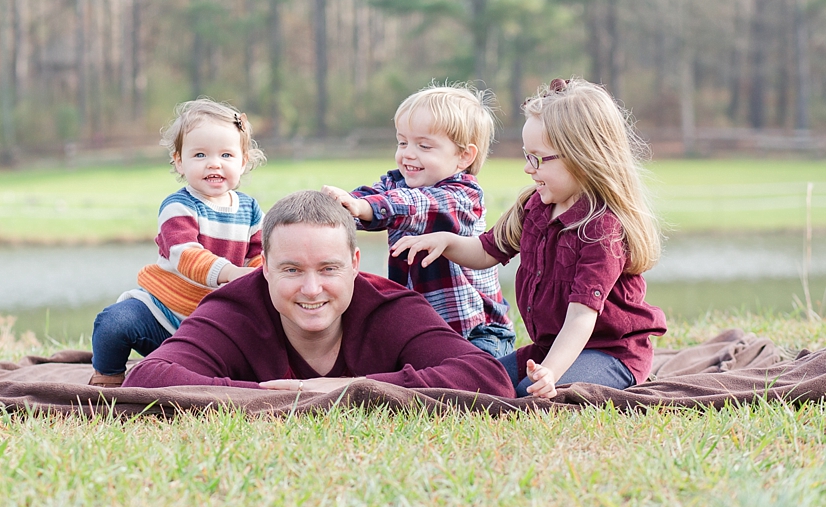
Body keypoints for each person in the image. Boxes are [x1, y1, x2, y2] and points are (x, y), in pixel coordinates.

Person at [393, 78, 667, 398]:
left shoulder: (601, 230)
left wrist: (550, 371)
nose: (527, 167)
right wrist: (447, 241)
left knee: (529, 394)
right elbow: (486, 251)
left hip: (611, 353)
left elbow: (581, 317)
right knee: (474, 380)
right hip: (549, 347)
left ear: (582, 157)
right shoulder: (535, 205)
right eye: (527, 155)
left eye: (537, 157)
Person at [122, 190, 516, 398]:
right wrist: (269, 395)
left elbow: (485, 376)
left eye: (329, 269)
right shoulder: (234, 306)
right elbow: (147, 378)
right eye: (291, 270)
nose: (312, 290)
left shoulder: (390, 307)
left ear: (356, 263)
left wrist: (353, 387)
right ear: (265, 266)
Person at [321, 84, 515, 359]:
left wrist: (364, 207)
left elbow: (413, 206)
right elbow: (369, 200)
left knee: (473, 380)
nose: (408, 153)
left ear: (464, 156)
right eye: (402, 142)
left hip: (477, 334)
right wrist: (336, 208)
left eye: (424, 146)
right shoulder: (396, 183)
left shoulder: (463, 196)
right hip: (421, 330)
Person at [89, 98, 266, 387]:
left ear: (243, 162)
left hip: (215, 323)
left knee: (246, 353)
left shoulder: (250, 210)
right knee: (113, 323)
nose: (214, 163)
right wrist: (231, 273)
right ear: (179, 162)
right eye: (199, 155)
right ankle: (107, 380)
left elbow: (258, 258)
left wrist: (260, 276)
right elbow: (185, 254)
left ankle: (184, 371)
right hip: (163, 311)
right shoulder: (178, 206)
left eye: (226, 155)